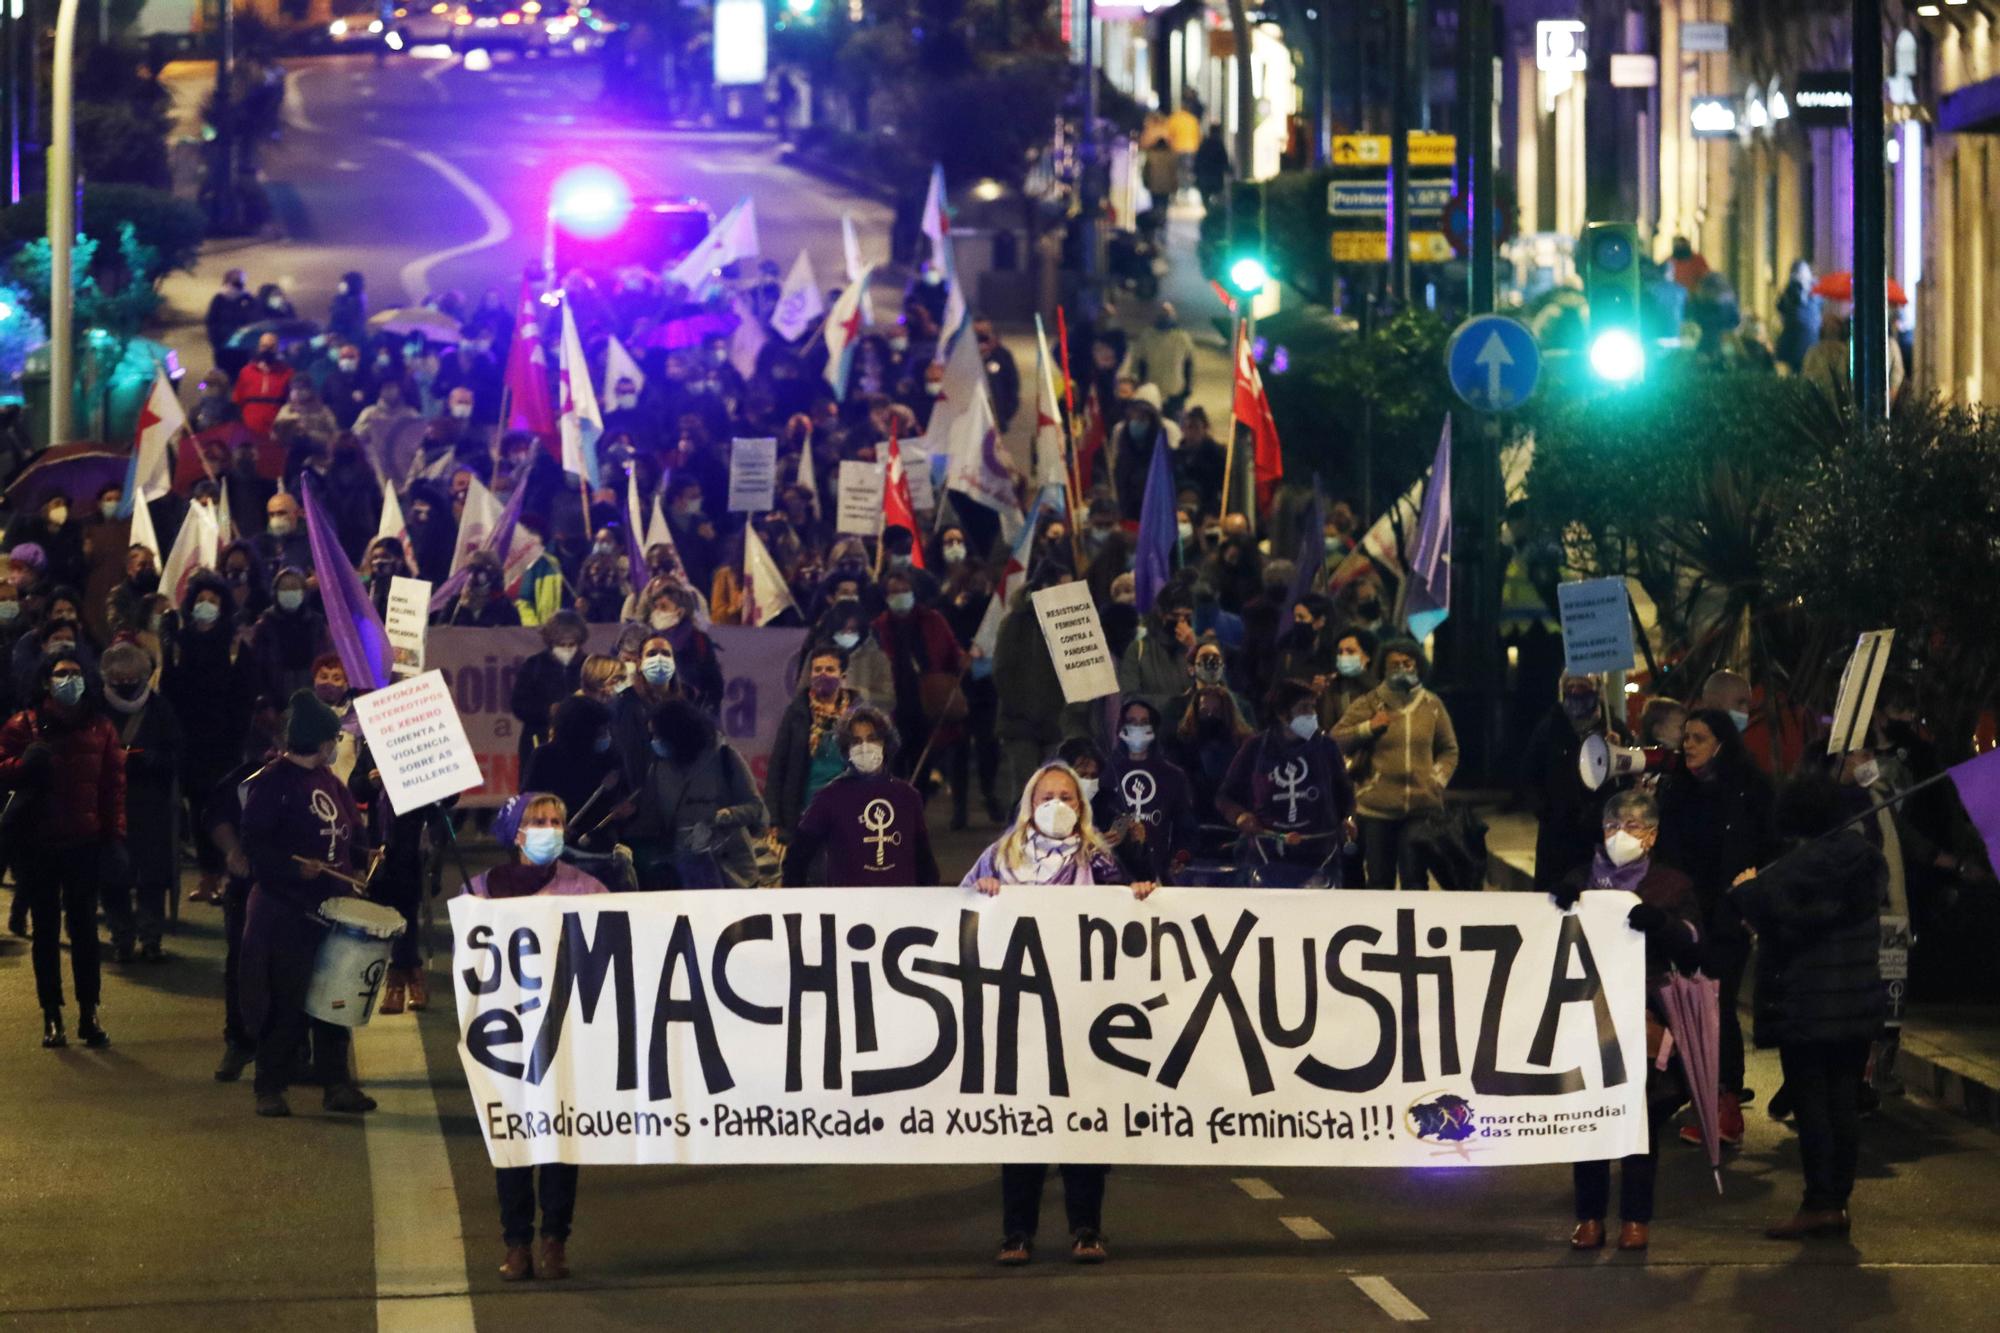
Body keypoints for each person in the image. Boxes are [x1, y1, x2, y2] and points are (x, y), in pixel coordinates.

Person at [965, 761, 1154, 1265]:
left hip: (1083, 1013)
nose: (1057, 805)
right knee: (1023, 1122)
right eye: (1047, 795)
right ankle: (1017, 1233)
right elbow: (957, 915)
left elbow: (1130, 915)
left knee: (1085, 1120)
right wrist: (980, 896)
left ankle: (1086, 1229)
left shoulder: (1100, 860)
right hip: (1022, 1015)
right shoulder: (1000, 857)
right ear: (1029, 803)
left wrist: (1138, 896)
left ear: (1081, 806)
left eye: (1067, 797)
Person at [1730, 771, 1884, 1240]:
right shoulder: (1869, 861)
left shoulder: (1798, 867)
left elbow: (1759, 902)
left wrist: (1745, 887)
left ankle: (1819, 1203)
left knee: (1813, 1103)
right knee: (1843, 1101)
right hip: (1856, 1003)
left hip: (1807, 1001)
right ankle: (1836, 1201)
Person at [463, 792, 609, 1281]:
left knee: (560, 1140)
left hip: (566, 1037)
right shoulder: (481, 891)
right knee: (513, 1141)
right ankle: (516, 1241)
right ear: (515, 831)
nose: (548, 828)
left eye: (554, 821)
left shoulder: (588, 890)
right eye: (537, 820)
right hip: (505, 1040)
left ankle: (555, 1242)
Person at [1552, 789, 1703, 1253]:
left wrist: (1661, 924)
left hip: (1644, 1016)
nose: (1622, 835)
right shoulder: (1580, 879)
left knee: (1641, 1119)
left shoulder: (1672, 885)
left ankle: (1636, 1218)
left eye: (1634, 827)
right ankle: (1589, 1216)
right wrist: (1554, 905)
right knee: (1589, 1115)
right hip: (1587, 1013)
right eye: (1613, 826)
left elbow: (1695, 947)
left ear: (1652, 835)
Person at [238, 690, 377, 1117]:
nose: (335, 746)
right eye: (332, 740)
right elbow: (256, 848)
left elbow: (352, 830)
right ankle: (270, 1085)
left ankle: (336, 1083)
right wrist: (294, 869)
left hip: (331, 909)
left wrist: (358, 865)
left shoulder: (330, 782)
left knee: (336, 999)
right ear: (318, 742)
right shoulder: (271, 784)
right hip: (286, 911)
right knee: (287, 1001)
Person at [1654, 708, 1776, 1149]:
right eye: (1685, 737)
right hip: (1686, 918)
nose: (1688, 745)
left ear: (1722, 743)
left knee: (1717, 1005)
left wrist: (1753, 902)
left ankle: (1726, 1102)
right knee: (1688, 1003)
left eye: (1699, 738)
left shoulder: (1751, 791)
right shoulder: (1677, 791)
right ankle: (1700, 1092)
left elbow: (1769, 848)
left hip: (1729, 917)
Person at [0, 652, 124, 1048]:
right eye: (60, 674)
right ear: (45, 681)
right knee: (46, 931)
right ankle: (51, 1013)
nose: (68, 680)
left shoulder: (101, 727)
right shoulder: (23, 725)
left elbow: (112, 786)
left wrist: (115, 835)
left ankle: (90, 1010)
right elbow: (2, 768)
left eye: (74, 673)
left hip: (84, 842)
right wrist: (22, 765)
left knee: (85, 929)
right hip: (36, 843)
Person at [1333, 637, 1459, 890]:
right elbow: (1336, 739)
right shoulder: (1369, 703)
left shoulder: (1432, 705)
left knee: (1414, 879)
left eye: (1408, 663)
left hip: (1421, 809)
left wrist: (1437, 779)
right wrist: (1369, 728)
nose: (1402, 669)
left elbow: (1449, 749)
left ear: (1418, 666)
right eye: (1395, 664)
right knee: (1380, 879)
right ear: (1383, 668)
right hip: (1377, 810)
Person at [1216, 678, 1358, 885]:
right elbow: (1225, 796)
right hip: (1266, 853)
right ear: (1282, 714)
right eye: (1304, 709)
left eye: (1313, 708)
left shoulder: (1327, 747)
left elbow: (1345, 793)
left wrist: (1349, 818)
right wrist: (1239, 815)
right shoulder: (1255, 748)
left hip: (1320, 854)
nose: (1312, 715)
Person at [782, 704, 938, 886]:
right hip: (847, 911)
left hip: (899, 910)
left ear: (885, 744)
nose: (865, 747)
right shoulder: (829, 797)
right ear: (846, 749)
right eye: (856, 741)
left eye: (872, 739)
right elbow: (797, 858)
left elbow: (925, 865)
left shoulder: (907, 797)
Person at [98, 642, 184, 964]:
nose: (126, 681)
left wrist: (148, 759)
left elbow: (176, 753)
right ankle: (122, 936)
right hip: (108, 804)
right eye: (118, 676)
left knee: (152, 876)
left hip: (151, 804)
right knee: (113, 874)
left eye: (132, 675)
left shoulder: (160, 709)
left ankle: (150, 937)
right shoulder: (96, 708)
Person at [623, 700, 768, 890]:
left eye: (658, 736)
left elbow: (756, 807)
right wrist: (630, 816)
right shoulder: (658, 767)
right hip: (685, 873)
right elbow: (653, 820)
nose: (654, 742)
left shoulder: (725, 758)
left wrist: (725, 816)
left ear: (676, 734)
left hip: (733, 873)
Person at [1520, 672, 1629, 894]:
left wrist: (1617, 751)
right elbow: (1529, 776)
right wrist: (1548, 812)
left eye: (1583, 686)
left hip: (1600, 837)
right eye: (1571, 686)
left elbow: (1628, 777)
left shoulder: (1613, 728)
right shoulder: (1549, 728)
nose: (1576, 691)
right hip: (1558, 839)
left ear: (1597, 689)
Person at [872, 567, 963, 794]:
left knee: (922, 764)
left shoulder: (933, 621)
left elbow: (952, 654)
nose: (900, 595)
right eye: (894, 591)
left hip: (927, 705)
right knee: (894, 764)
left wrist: (963, 661)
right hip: (893, 707)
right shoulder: (877, 628)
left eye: (905, 590)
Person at [1097, 698, 1199, 884]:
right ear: (1121, 726)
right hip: (1109, 874)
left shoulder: (1173, 776)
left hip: (1156, 875)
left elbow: (1185, 828)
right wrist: (1098, 839)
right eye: (1132, 722)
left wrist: (1181, 857)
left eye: (1144, 722)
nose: (1138, 727)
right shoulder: (1105, 772)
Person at [767, 645, 857, 838]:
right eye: (817, 670)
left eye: (830, 669)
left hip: (849, 812)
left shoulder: (858, 715)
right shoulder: (797, 712)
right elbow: (778, 765)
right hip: (804, 814)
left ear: (843, 677)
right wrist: (774, 818)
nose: (822, 674)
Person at [510, 611, 587, 765]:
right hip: (539, 740)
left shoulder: (587, 666)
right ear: (550, 641)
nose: (566, 649)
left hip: (580, 743)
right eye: (561, 644)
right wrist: (547, 711)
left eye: (571, 644)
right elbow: (518, 704)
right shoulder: (534, 665)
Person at [1774, 260, 1823, 375]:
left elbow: (1781, 310)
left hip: (1794, 343)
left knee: (1795, 374)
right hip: (1810, 343)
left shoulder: (1788, 292)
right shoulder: (1816, 292)